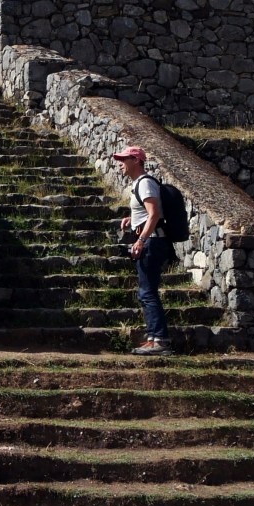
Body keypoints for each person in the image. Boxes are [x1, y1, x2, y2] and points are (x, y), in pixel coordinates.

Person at [112, 145, 173, 356]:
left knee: (148, 292)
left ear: (136, 160)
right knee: (147, 292)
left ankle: (160, 340)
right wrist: (133, 219)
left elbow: (154, 214)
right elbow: (149, 213)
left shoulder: (145, 183)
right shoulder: (140, 183)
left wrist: (140, 240)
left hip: (152, 242)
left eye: (124, 159)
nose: (120, 164)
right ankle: (154, 338)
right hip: (151, 240)